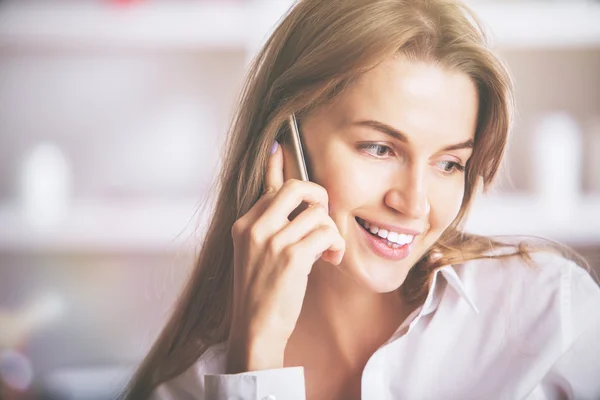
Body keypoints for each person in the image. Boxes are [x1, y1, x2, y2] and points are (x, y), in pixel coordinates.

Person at [122, 0, 600, 399]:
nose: (414, 204)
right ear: (286, 142)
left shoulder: (551, 314)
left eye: (448, 163)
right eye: (379, 148)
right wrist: (256, 363)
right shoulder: (185, 389)